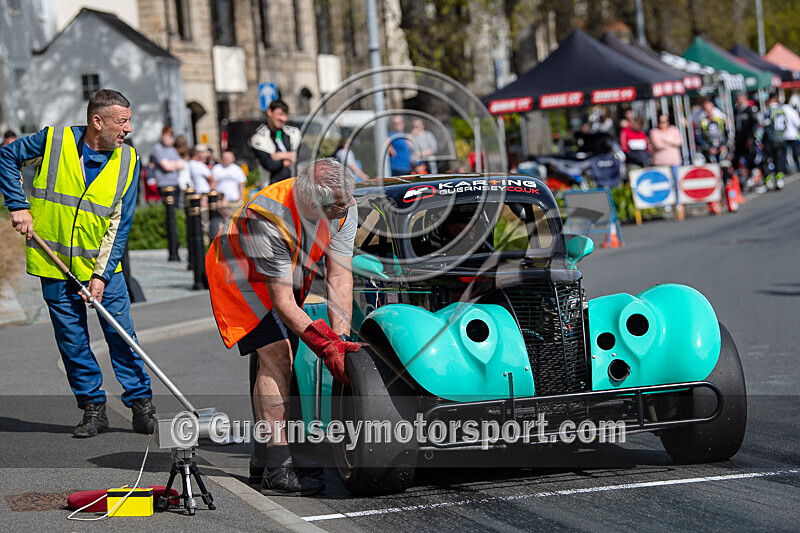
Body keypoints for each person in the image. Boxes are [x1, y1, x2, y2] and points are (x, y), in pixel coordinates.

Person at [0, 89, 155, 438]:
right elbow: (5, 157)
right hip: (53, 263)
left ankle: (141, 402)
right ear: (97, 121)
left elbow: (120, 223)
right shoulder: (53, 140)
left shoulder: (128, 160)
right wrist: (17, 204)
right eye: (122, 121)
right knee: (72, 340)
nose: (128, 129)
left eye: (129, 121)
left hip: (103, 269)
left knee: (121, 335)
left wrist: (100, 275)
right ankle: (92, 408)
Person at [205, 157, 360, 496]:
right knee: (277, 354)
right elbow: (282, 302)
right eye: (336, 207)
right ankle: (277, 466)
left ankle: (264, 459)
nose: (346, 209)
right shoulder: (269, 218)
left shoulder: (344, 203)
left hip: (286, 273)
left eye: (347, 201)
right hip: (240, 277)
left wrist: (341, 339)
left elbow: (339, 273)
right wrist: (325, 343)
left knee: (280, 354)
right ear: (312, 203)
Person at [251, 99, 302, 185]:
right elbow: (269, 164)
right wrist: (291, 157)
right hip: (272, 189)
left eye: (286, 115)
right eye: (280, 114)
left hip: (295, 187)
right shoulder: (259, 137)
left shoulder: (293, 132)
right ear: (270, 112)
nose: (284, 119)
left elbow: (304, 155)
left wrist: (279, 155)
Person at [732, 92, 760, 186]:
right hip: (739, 138)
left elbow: (754, 125)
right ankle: (739, 178)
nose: (737, 100)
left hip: (747, 138)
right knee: (736, 157)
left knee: (749, 157)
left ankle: (753, 176)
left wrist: (751, 137)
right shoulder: (736, 110)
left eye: (739, 97)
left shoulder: (750, 110)